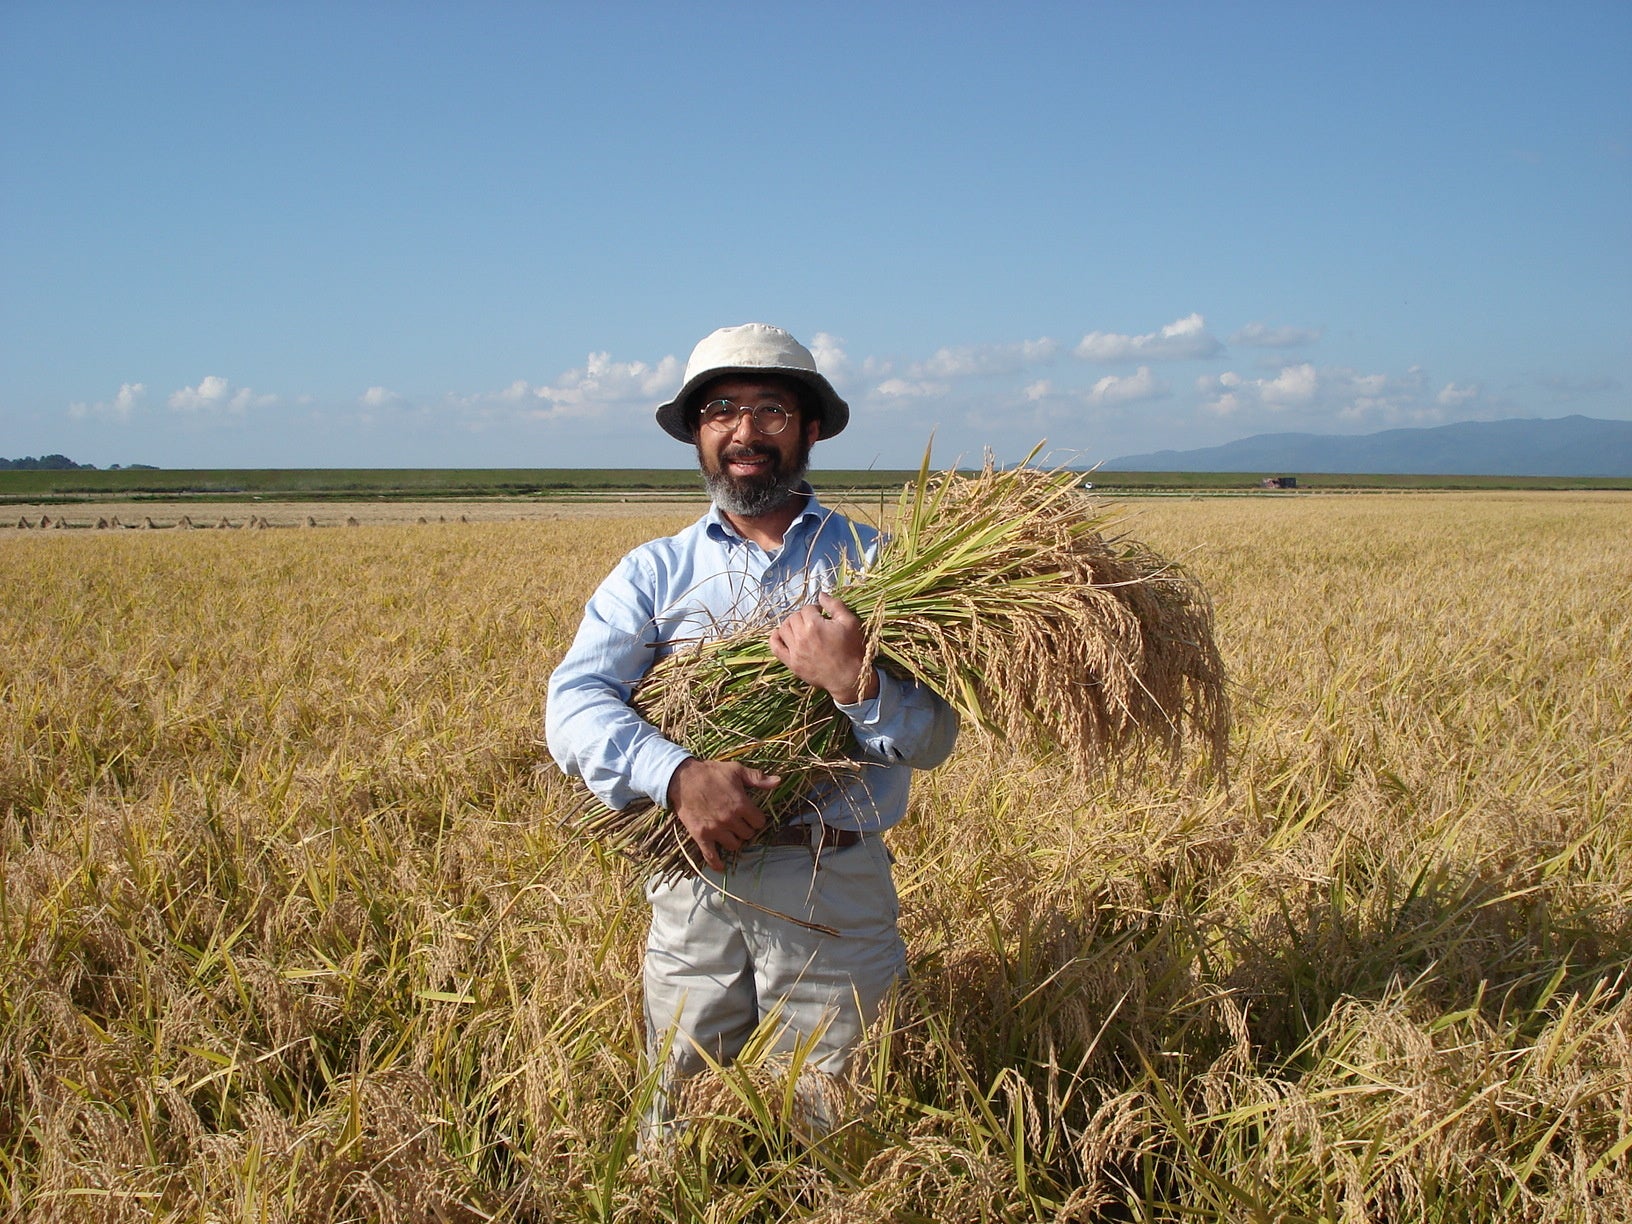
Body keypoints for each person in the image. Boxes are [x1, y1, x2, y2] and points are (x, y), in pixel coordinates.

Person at [545, 322, 959, 1138]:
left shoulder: (885, 570)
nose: (745, 432)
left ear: (809, 430)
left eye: (772, 410)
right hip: (694, 884)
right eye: (721, 410)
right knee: (680, 1124)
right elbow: (576, 701)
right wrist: (675, 774)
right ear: (698, 434)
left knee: (834, 1130)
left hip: (832, 888)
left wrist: (854, 682)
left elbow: (933, 740)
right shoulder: (654, 572)